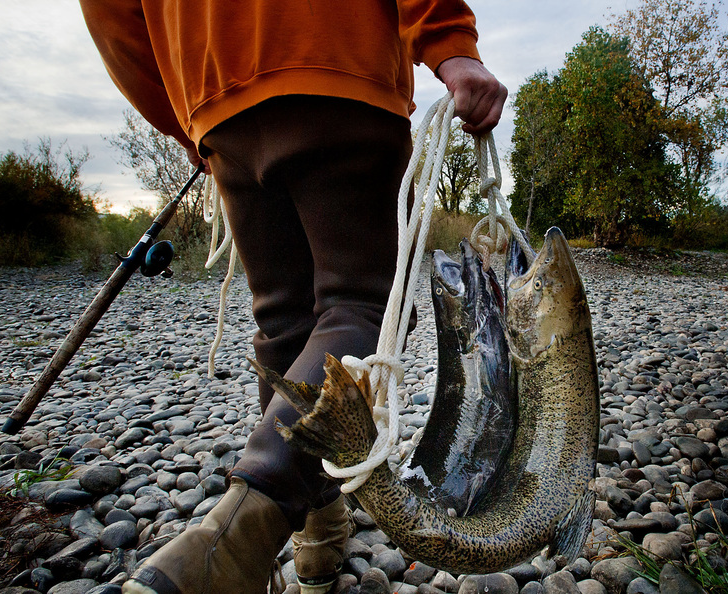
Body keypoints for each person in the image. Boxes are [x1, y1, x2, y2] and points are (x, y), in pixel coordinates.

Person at [77, 2, 507, 593]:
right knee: (361, 307)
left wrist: (184, 114)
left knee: (286, 324)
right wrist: (450, 43)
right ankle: (233, 539)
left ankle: (317, 531)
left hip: (217, 98)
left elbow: (112, 14)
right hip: (336, 62)